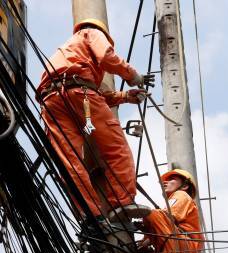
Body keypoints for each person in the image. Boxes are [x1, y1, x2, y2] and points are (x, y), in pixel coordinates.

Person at [37, 18, 154, 220]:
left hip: (51, 101)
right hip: (81, 95)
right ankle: (122, 202)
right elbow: (107, 57)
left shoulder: (68, 54)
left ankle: (91, 214)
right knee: (116, 148)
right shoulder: (90, 32)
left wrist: (125, 97)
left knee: (70, 161)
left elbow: (95, 92)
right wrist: (133, 75)